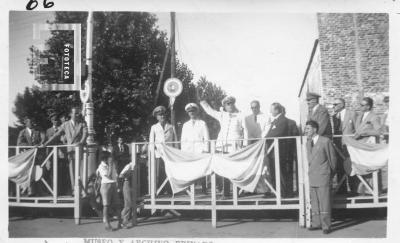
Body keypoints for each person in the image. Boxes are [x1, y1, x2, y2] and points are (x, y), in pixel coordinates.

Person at [200, 96, 244, 197]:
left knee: (235, 170)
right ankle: (226, 193)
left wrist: (243, 144)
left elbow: (244, 130)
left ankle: (237, 193)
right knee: (224, 170)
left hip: (234, 146)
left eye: (232, 103)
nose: (230, 105)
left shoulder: (240, 116)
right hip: (222, 146)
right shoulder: (222, 115)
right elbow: (209, 111)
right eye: (228, 104)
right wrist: (202, 101)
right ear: (224, 106)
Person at [43, 107, 88, 195]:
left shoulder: (82, 123)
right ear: (71, 114)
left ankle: (83, 190)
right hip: (70, 150)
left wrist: (81, 142)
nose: (76, 115)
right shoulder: (65, 124)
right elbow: (56, 135)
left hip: (79, 149)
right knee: (72, 171)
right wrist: (45, 144)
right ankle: (74, 190)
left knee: (81, 170)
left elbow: (85, 134)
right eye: (75, 113)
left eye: (78, 113)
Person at [305, 120, 337, 234]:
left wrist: (330, 174)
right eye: (306, 129)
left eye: (308, 129)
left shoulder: (325, 141)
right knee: (315, 201)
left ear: (315, 129)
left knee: (324, 202)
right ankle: (317, 223)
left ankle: (326, 225)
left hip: (323, 175)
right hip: (313, 175)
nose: (306, 131)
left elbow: (332, 159)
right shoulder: (308, 143)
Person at [354, 97, 382, 194]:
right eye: (360, 104)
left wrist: (365, 132)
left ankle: (374, 190)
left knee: (371, 168)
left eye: (362, 105)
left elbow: (378, 131)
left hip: (369, 146)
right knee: (362, 168)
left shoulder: (374, 116)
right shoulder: (359, 116)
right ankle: (364, 190)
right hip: (360, 147)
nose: (360, 106)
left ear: (368, 106)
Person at [180, 103, 210, 194]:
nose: (191, 113)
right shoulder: (185, 125)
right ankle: (189, 189)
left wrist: (206, 150)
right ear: (188, 113)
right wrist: (183, 151)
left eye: (193, 111)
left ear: (196, 112)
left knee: (202, 170)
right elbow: (183, 139)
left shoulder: (202, 123)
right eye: (189, 112)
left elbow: (207, 138)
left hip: (200, 150)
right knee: (190, 169)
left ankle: (204, 189)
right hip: (189, 151)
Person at [331, 98, 357, 194]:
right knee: (340, 166)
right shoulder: (334, 116)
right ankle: (342, 190)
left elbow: (356, 128)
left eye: (335, 104)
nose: (333, 106)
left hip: (349, 144)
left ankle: (353, 188)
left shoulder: (352, 113)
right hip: (338, 145)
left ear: (342, 104)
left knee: (350, 165)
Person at [149, 106, 176, 195]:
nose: (162, 116)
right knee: (159, 173)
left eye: (163, 114)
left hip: (170, 154)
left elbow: (175, 141)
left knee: (170, 172)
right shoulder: (154, 127)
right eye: (160, 115)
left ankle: (170, 190)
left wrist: (176, 153)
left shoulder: (171, 127)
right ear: (156, 117)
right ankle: (159, 191)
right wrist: (153, 154)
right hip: (159, 154)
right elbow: (151, 142)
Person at [264, 103, 289, 197]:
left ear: (277, 110)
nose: (270, 112)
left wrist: (265, 138)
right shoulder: (276, 120)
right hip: (273, 151)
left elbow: (277, 133)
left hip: (279, 150)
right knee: (273, 170)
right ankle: (276, 191)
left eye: (272, 110)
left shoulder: (282, 120)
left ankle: (282, 192)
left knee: (279, 171)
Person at [17, 117, 45, 196]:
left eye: (32, 122)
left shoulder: (37, 131)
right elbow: (19, 143)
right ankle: (30, 190)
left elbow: (43, 139)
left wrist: (39, 144)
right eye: (29, 122)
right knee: (28, 172)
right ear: (26, 123)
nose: (31, 123)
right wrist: (30, 146)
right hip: (28, 155)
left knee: (38, 171)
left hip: (37, 155)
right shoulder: (22, 132)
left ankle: (39, 191)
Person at [96, 151, 122, 231]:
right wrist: (111, 165)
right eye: (109, 157)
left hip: (113, 185)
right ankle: (107, 224)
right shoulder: (101, 166)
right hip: (105, 186)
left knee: (117, 204)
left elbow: (116, 176)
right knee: (106, 205)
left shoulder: (111, 164)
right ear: (105, 158)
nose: (111, 158)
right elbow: (109, 176)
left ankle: (120, 222)